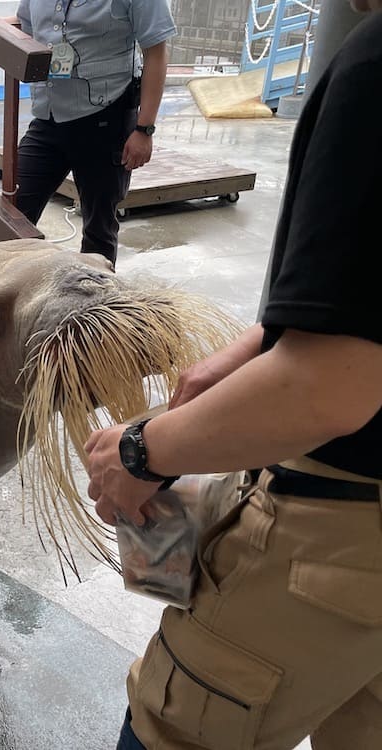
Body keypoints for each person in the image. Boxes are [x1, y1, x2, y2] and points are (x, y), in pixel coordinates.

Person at [84, 1, 382, 746]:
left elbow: (329, 386)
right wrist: (266, 340)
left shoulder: (375, 71)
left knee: (175, 725)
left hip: (342, 518)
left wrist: (141, 451)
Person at [15, 0, 175, 266]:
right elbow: (23, 27)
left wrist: (144, 129)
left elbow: (155, 52)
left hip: (105, 120)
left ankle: (96, 303)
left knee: (98, 230)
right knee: (13, 212)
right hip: (49, 116)